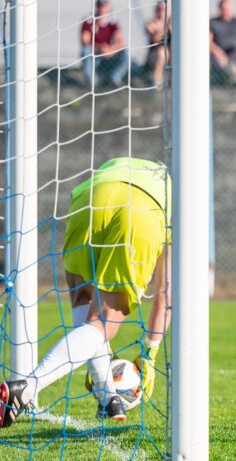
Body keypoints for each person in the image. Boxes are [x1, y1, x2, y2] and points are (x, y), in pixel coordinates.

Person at [0, 157, 172, 427]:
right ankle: (29, 387)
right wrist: (149, 354)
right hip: (141, 211)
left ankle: (108, 396)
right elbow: (165, 293)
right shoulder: (178, 197)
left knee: (83, 298)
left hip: (89, 200)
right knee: (103, 322)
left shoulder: (122, 162)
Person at [81, 0, 130, 87]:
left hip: (109, 55)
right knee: (85, 50)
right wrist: (100, 48)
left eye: (104, 6)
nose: (102, 8)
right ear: (96, 6)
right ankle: (91, 80)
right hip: (95, 55)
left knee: (126, 50)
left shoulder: (113, 22)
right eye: (100, 6)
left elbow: (120, 41)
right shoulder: (89, 21)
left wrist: (111, 50)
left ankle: (115, 77)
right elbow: (85, 40)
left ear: (109, 7)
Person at [146, 0, 171, 86]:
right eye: (158, 9)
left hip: (172, 54)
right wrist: (165, 27)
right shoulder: (152, 23)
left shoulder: (173, 23)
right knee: (162, 52)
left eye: (163, 9)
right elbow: (155, 39)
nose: (161, 12)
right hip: (155, 54)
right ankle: (157, 80)